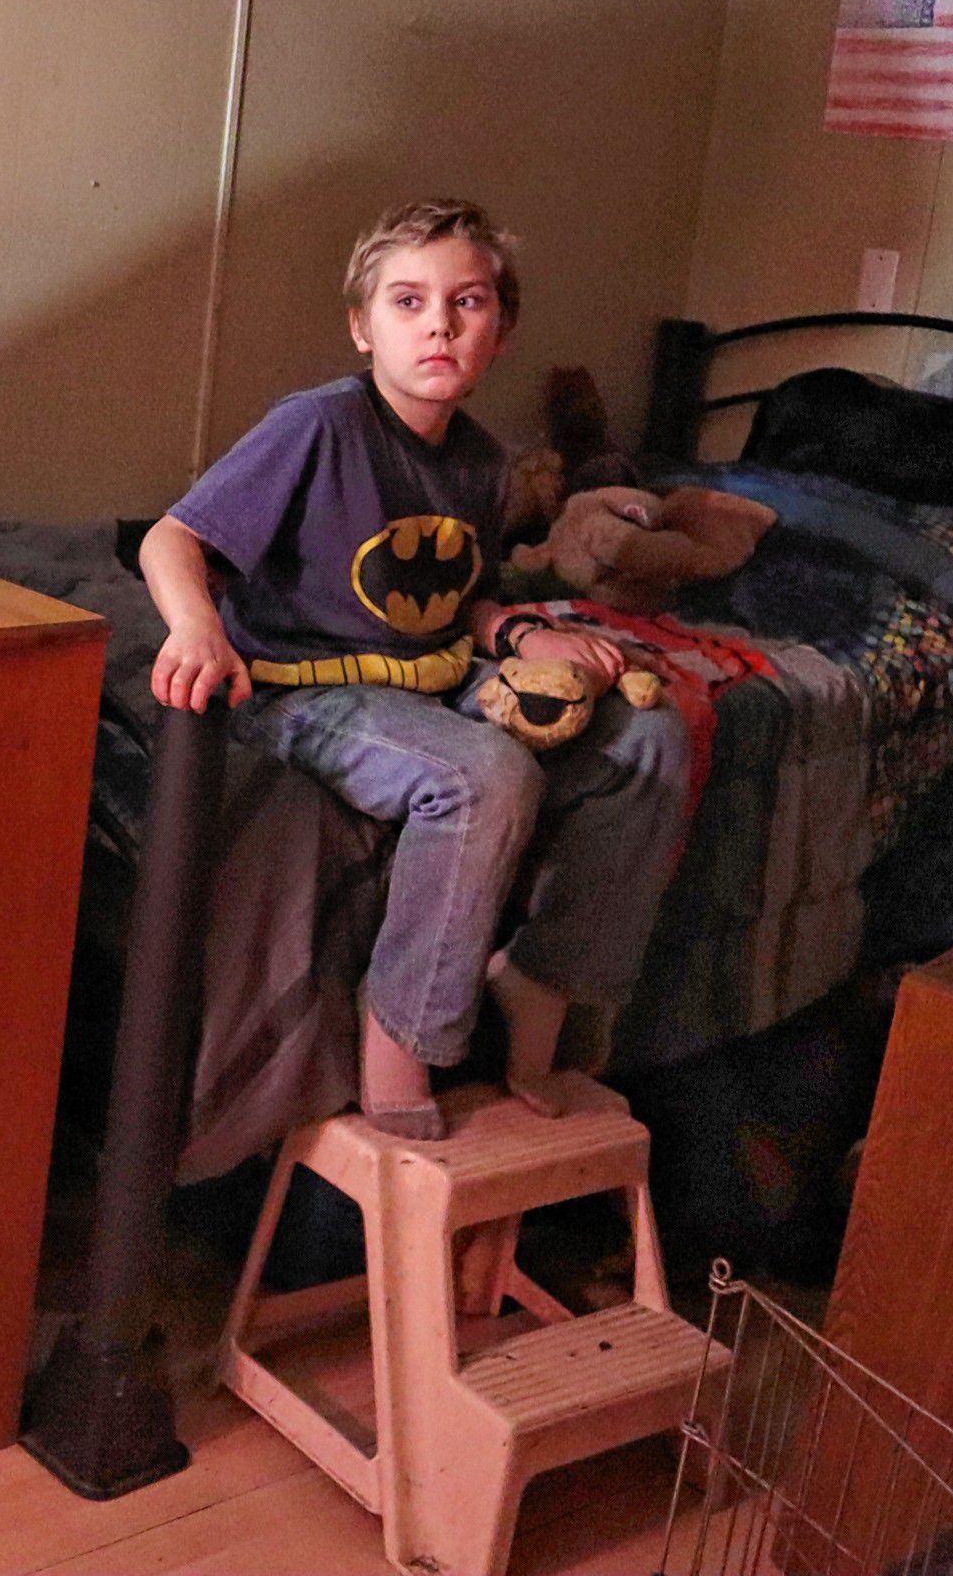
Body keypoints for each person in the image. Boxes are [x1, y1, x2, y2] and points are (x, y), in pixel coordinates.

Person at [138, 199, 687, 1140]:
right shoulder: (318, 426)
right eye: (407, 301)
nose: (438, 322)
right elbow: (172, 538)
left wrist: (519, 636)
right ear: (363, 326)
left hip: (423, 670)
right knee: (485, 777)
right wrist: (195, 630)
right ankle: (401, 1037)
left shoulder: (481, 462)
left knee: (652, 738)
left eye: (467, 301)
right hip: (302, 687)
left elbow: (449, 598)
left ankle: (540, 983)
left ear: (500, 332)